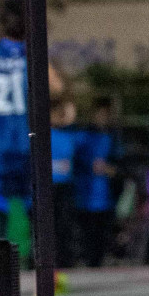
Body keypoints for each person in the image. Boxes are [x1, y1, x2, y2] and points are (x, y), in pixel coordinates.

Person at [0, 0, 64, 240]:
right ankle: (39, 266)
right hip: (26, 141)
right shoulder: (31, 53)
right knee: (35, 207)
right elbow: (57, 88)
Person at [76, 95, 121, 268]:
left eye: (107, 114)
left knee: (103, 234)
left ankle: (98, 262)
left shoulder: (114, 138)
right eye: (100, 114)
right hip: (86, 196)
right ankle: (89, 262)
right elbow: (75, 161)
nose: (104, 118)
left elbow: (122, 164)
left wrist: (113, 170)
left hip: (106, 198)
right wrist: (89, 166)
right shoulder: (84, 136)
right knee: (88, 234)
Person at [49, 98, 81, 268]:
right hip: (48, 189)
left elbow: (71, 114)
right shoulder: (41, 135)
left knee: (64, 227)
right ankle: (48, 263)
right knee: (48, 229)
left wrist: (65, 97)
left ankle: (64, 263)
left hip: (65, 187)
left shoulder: (69, 135)